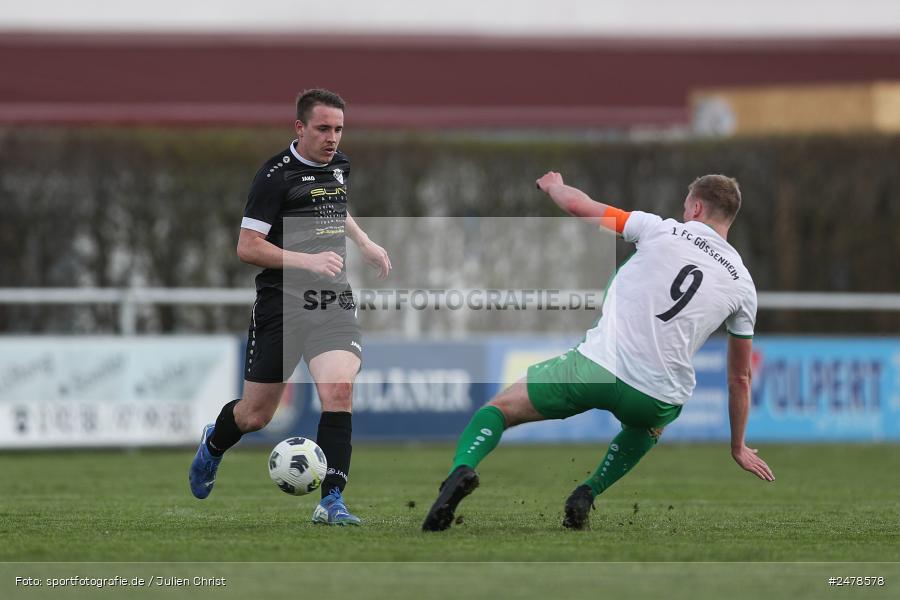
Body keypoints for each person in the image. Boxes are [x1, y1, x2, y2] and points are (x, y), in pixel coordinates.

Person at [422, 171, 774, 532]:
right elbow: (740, 379)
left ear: (697, 207)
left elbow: (580, 206)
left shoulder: (659, 228)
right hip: (654, 395)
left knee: (498, 410)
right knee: (649, 428)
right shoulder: (743, 285)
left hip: (596, 367)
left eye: (686, 208)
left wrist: (554, 186)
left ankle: (462, 469)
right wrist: (738, 446)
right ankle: (587, 493)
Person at [189, 89, 391, 526]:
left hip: (331, 299)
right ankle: (214, 443)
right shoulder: (273, 178)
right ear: (299, 128)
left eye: (338, 129)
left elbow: (335, 203)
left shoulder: (339, 164)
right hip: (281, 304)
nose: (332, 138)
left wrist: (364, 241)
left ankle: (331, 500)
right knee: (255, 415)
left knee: (339, 390)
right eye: (323, 128)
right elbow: (247, 248)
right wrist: (307, 260)